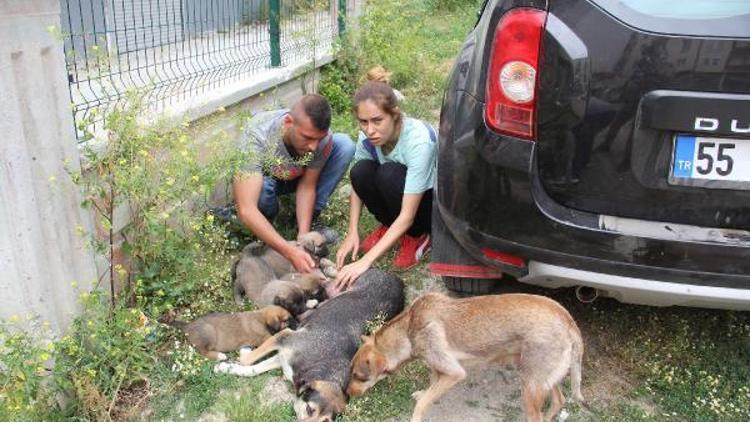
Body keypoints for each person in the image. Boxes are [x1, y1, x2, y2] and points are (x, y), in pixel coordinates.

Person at [232, 94, 355, 273]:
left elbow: (307, 185)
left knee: (344, 145)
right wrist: (290, 252)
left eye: (318, 140)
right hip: (267, 183)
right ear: (288, 122)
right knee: (263, 190)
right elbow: (246, 209)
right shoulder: (257, 134)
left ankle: (309, 221)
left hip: (296, 177)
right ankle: (267, 228)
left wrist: (303, 239)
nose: (314, 147)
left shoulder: (320, 137)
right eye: (307, 138)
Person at [334, 81, 436, 289]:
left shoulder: (419, 142)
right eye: (363, 122)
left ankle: (419, 236)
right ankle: (389, 226)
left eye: (377, 120)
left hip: (430, 204)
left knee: (389, 173)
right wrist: (352, 231)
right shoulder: (369, 135)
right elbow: (358, 183)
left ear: (395, 115)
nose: (370, 130)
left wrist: (365, 262)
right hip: (400, 191)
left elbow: (407, 215)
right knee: (360, 170)